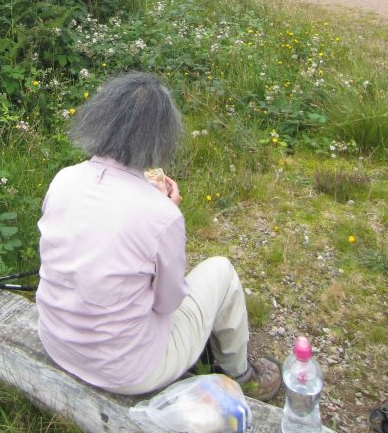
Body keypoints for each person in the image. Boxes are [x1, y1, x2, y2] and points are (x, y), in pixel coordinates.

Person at [36, 71, 281, 399]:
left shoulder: (64, 179)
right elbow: (169, 302)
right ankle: (242, 374)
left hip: (57, 342)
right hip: (128, 371)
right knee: (221, 270)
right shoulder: (162, 214)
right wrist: (169, 211)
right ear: (161, 136)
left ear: (98, 118)